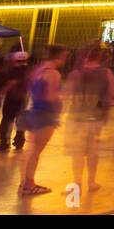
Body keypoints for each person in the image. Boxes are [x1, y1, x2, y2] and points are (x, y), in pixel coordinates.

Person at [18, 45, 68, 196]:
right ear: (59, 56)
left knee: (30, 150)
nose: (65, 59)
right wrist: (64, 95)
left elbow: (31, 90)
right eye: (64, 56)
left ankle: (24, 183)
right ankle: (29, 185)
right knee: (35, 152)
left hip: (34, 112)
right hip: (46, 114)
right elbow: (49, 96)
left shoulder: (39, 70)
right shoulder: (53, 74)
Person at [66, 46, 114, 193]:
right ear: (100, 57)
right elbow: (109, 97)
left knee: (77, 152)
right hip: (95, 117)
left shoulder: (75, 73)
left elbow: (66, 94)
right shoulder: (107, 73)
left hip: (76, 116)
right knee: (93, 151)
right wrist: (106, 114)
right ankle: (91, 181)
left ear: (84, 57)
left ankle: (77, 182)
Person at [0, 50, 30, 152]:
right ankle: (19, 143)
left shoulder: (15, 70)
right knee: (20, 121)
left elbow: (12, 83)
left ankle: (4, 143)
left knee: (7, 120)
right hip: (24, 98)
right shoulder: (28, 70)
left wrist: (0, 92)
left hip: (12, 99)